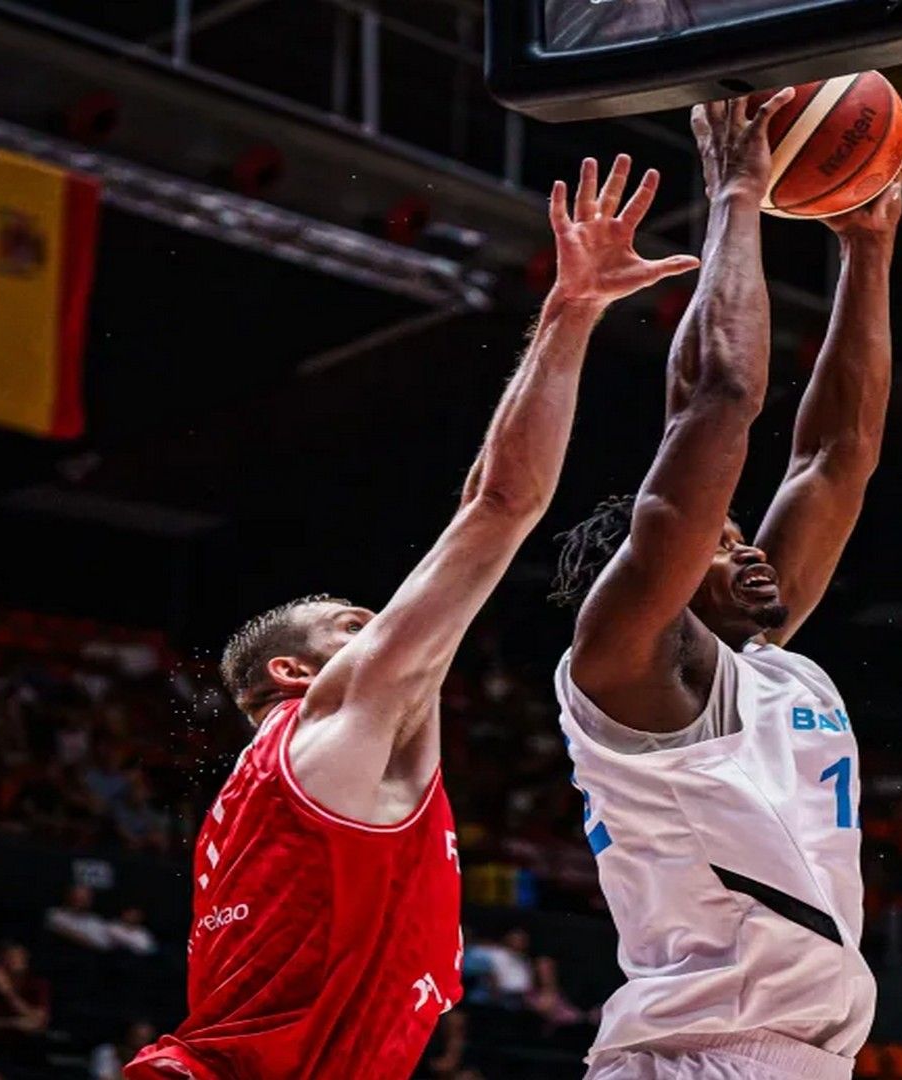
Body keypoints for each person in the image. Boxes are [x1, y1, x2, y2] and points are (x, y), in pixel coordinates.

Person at [123, 154, 699, 1080]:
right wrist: (572, 308)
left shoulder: (265, 792)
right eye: (356, 628)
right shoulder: (334, 720)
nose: (391, 628)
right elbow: (499, 505)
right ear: (294, 673)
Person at [548, 90, 901, 1080]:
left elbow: (836, 455)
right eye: (718, 538)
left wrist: (867, 250)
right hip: (693, 1057)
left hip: (799, 1057)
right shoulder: (625, 665)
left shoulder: (767, 665)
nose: (745, 553)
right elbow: (718, 398)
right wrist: (737, 195)